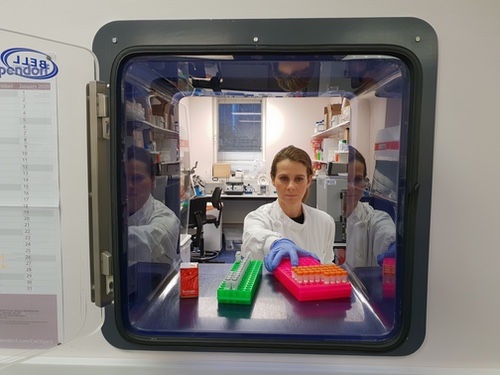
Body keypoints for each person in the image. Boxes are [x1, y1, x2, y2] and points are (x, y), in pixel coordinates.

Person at [241, 145, 336, 272]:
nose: (291, 186)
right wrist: (275, 244)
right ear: (273, 179)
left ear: (309, 180)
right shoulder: (259, 217)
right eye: (284, 178)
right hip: (271, 291)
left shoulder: (325, 222)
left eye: (299, 179)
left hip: (312, 291)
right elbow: (252, 237)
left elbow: (328, 266)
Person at [343, 145, 396, 269]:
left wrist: (394, 245)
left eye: (357, 180)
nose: (351, 187)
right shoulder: (314, 220)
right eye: (345, 179)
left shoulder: (374, 219)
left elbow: (386, 232)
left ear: (365, 182)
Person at [126, 145, 180, 265]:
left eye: (137, 178)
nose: (129, 185)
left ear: (153, 182)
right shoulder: (110, 213)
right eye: (124, 178)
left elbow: (150, 241)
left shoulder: (167, 217)